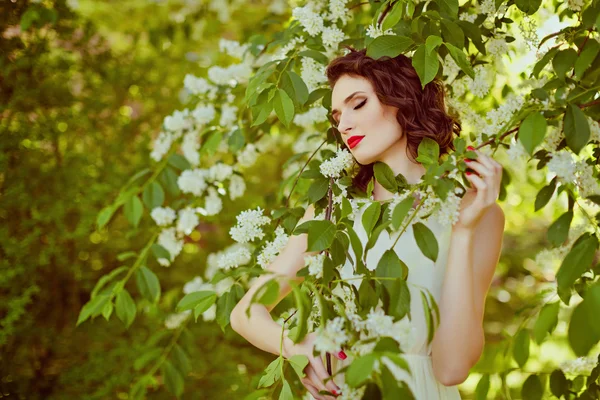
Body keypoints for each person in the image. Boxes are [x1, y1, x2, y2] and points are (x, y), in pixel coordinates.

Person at [230, 47, 505, 400]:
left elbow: (451, 369)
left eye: (358, 104)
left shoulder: (477, 213)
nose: (343, 125)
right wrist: (297, 348)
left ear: (402, 100)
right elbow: (246, 313)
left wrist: (463, 231)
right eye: (337, 115)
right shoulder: (331, 213)